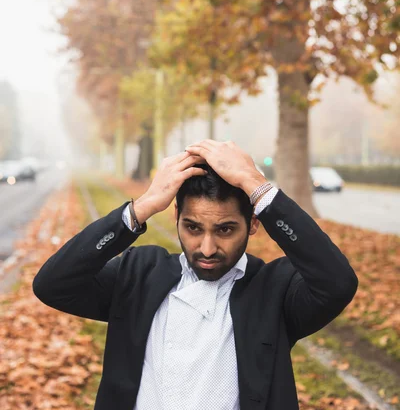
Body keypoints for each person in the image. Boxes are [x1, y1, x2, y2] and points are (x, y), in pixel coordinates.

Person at [33, 139, 358, 410]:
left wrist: (258, 189)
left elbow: (337, 282)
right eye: (192, 227)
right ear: (176, 216)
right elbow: (53, 284)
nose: (206, 247)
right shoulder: (138, 273)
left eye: (225, 229)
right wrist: (140, 208)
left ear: (254, 223)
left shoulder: (275, 291)